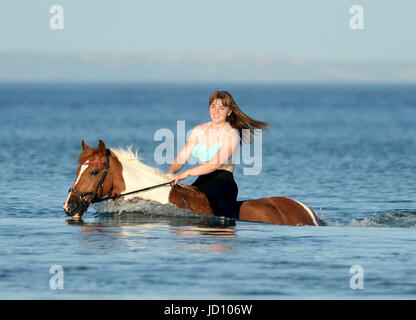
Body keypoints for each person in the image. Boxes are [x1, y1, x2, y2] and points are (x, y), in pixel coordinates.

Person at [167, 91, 270, 219]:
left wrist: (186, 173)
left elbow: (214, 164)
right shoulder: (198, 130)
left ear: (229, 112)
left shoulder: (232, 134)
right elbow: (182, 157)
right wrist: (168, 175)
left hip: (223, 182)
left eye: (221, 108)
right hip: (202, 180)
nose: (216, 111)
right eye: (213, 106)